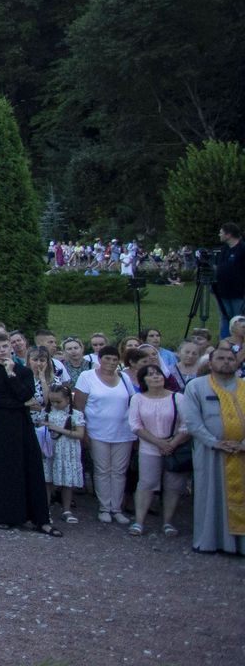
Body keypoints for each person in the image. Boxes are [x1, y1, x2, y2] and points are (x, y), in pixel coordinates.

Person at [0, 345, 58, 535]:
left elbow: (26, 394)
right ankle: (5, 515)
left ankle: (37, 517)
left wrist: (11, 375)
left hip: (22, 425)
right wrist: (22, 405)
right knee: (3, 469)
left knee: (29, 466)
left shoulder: (23, 371)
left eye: (5, 346)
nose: (2, 350)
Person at [182, 345, 245, 555]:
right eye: (221, 358)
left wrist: (242, 444)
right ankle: (210, 540)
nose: (226, 361)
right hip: (211, 452)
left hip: (242, 454)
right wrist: (214, 442)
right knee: (211, 495)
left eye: (230, 358)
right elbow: (192, 420)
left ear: (237, 363)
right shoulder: (196, 387)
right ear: (210, 363)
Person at [74, 345, 136, 524]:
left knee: (119, 471)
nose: (111, 362)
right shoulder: (87, 377)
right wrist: (83, 431)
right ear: (99, 359)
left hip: (123, 432)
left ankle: (116, 509)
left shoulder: (124, 377)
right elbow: (79, 406)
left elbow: (132, 402)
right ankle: (104, 507)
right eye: (107, 358)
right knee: (102, 470)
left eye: (115, 359)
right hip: (97, 431)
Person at [127, 361, 188, 537]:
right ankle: (139, 521)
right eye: (150, 374)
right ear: (143, 380)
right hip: (149, 447)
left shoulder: (177, 398)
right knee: (146, 483)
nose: (156, 377)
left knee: (173, 486)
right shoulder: (137, 399)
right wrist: (159, 443)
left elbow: (187, 424)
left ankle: (168, 522)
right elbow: (135, 425)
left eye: (158, 373)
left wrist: (172, 443)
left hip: (175, 447)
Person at [39, 384, 86, 525]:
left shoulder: (76, 415)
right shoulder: (46, 412)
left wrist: (59, 429)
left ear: (67, 399)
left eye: (58, 401)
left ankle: (66, 510)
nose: (54, 404)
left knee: (67, 481)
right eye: (52, 401)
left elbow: (80, 434)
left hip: (67, 452)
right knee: (47, 480)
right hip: (50, 451)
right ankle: (45, 509)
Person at [214, 223, 244, 330]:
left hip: (238, 293)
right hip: (222, 291)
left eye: (221, 232)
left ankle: (239, 344)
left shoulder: (242, 249)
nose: (219, 234)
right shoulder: (224, 250)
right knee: (224, 318)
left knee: (238, 319)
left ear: (228, 234)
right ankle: (225, 342)